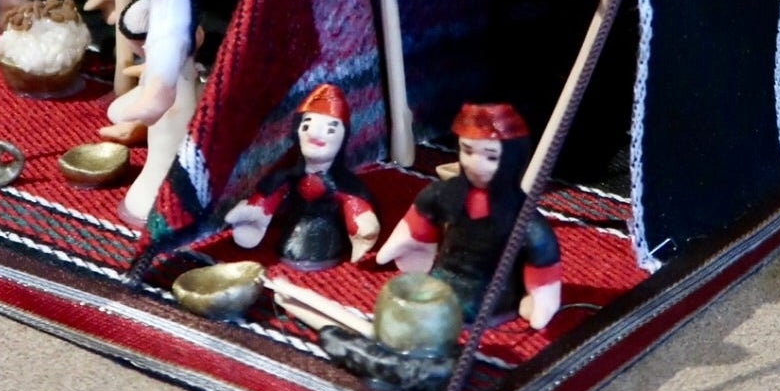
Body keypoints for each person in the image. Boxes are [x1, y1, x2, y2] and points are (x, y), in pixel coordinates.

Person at [376, 102, 562, 328]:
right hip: (445, 274)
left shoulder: (520, 214)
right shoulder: (448, 192)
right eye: (467, 150)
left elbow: (542, 249)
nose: (475, 164)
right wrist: (409, 240)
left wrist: (543, 296)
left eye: (491, 157)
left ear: (510, 159)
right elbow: (424, 210)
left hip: (493, 290)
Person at [106, 0, 205, 227]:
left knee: (168, 150)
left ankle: (170, 199)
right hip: (168, 89)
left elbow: (160, 87)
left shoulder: (174, 20)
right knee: (161, 144)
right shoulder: (163, 10)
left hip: (175, 98)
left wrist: (141, 101)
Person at [224, 83, 379, 271]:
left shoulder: (343, 183)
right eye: (307, 125)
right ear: (297, 132)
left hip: (327, 237)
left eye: (330, 129)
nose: (315, 134)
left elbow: (354, 202)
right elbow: (272, 194)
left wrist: (362, 223)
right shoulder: (288, 177)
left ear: (343, 137)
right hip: (292, 232)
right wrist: (256, 211)